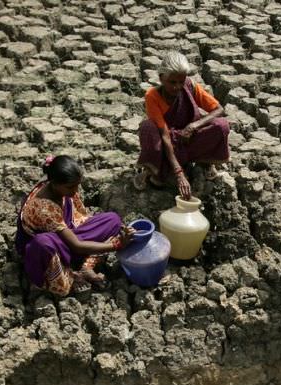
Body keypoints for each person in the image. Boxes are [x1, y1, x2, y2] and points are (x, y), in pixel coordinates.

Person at [16, 155, 132, 297]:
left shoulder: (58, 186)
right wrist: (117, 245)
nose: (75, 191)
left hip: (67, 233)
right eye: (71, 187)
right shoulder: (43, 209)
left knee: (113, 220)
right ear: (54, 183)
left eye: (77, 185)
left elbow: (76, 222)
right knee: (43, 245)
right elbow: (76, 245)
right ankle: (69, 275)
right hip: (51, 248)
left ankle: (84, 267)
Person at [136, 50, 230, 199]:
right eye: (172, 82)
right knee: (147, 127)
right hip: (168, 144)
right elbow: (165, 135)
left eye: (181, 82)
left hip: (189, 139)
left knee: (222, 126)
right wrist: (179, 174)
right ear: (161, 78)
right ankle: (156, 170)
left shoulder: (190, 86)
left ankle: (203, 163)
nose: (177, 87)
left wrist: (194, 126)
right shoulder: (152, 96)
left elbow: (218, 109)